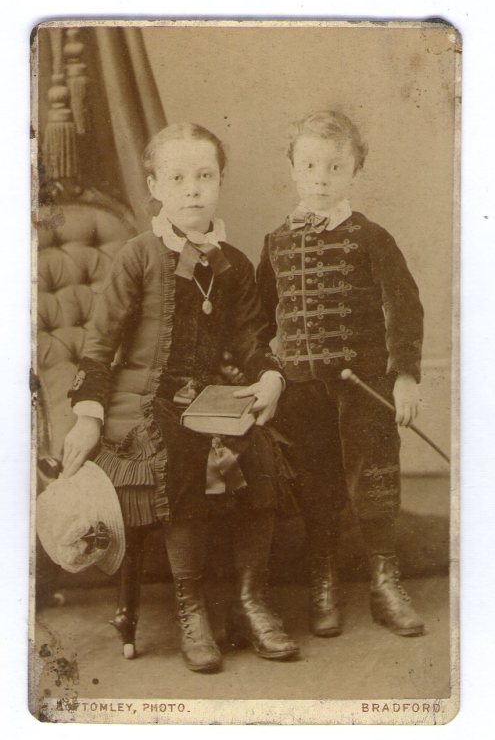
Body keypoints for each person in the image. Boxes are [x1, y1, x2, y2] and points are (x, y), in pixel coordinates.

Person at [62, 122, 299, 673]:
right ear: (155, 187)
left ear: (219, 181)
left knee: (260, 450)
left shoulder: (233, 263)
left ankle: (249, 600)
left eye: (204, 175)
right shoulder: (139, 256)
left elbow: (250, 338)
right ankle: (191, 606)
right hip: (142, 401)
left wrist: (270, 378)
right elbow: (100, 344)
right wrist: (88, 416)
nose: (192, 189)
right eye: (177, 177)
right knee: (179, 457)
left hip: (211, 396)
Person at [257, 110, 425, 637]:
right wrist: (270, 372)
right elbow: (262, 319)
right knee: (316, 483)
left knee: (373, 478)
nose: (321, 177)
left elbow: (405, 307)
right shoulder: (276, 242)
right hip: (302, 391)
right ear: (292, 168)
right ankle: (323, 577)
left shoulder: (371, 237)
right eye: (309, 165)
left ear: (355, 171)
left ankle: (383, 579)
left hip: (365, 387)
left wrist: (406, 376)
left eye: (334, 166)